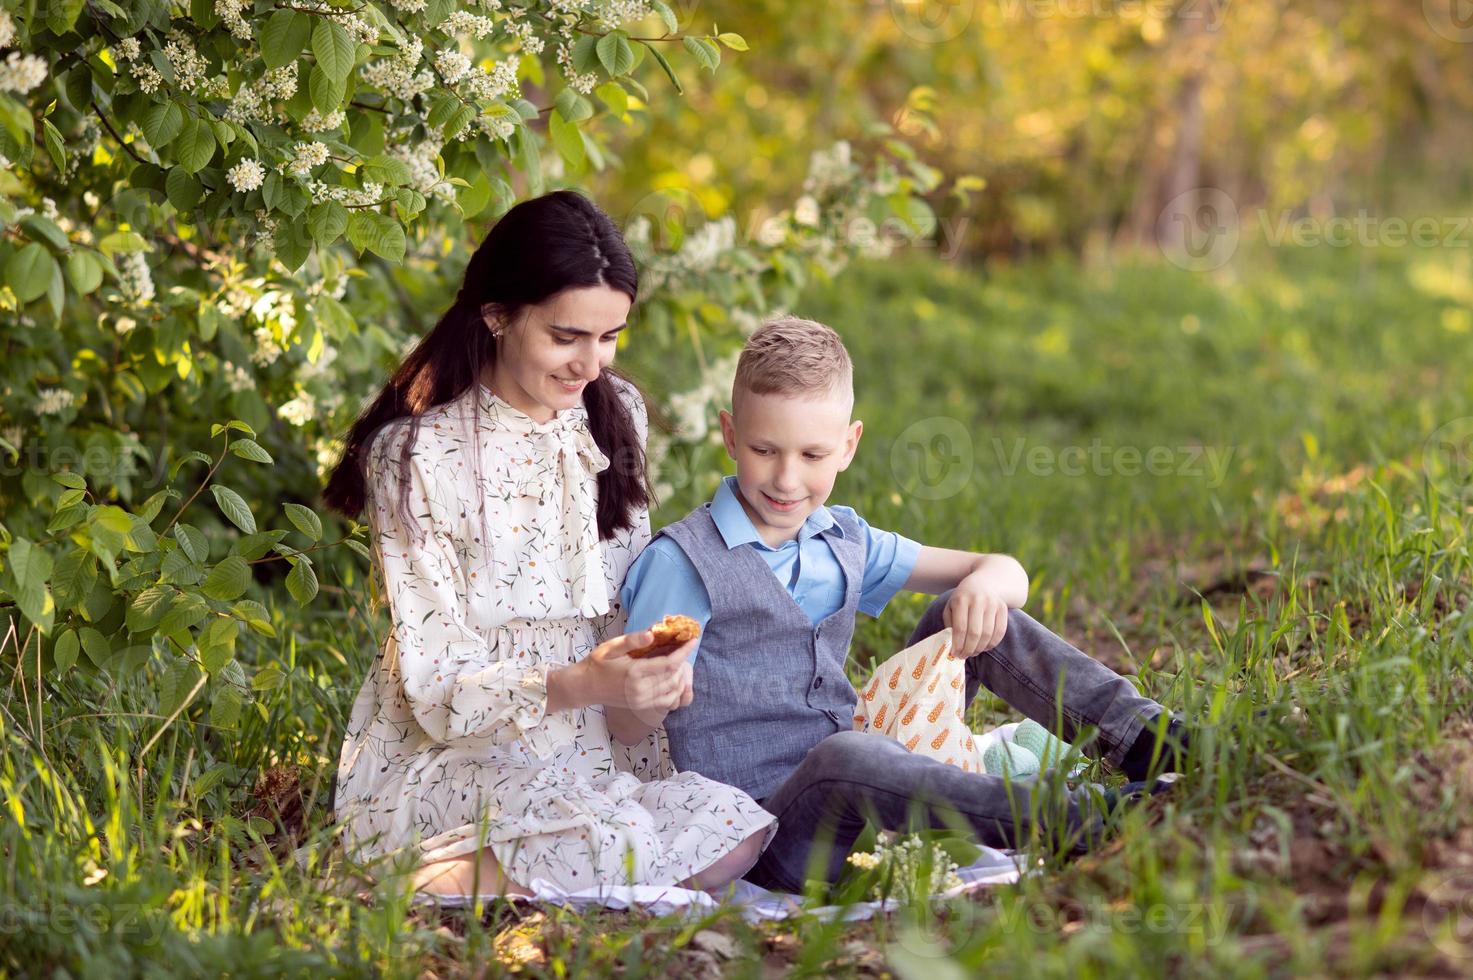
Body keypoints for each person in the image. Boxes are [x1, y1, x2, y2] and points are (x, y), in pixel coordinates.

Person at [618, 316, 1191, 893]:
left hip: (871, 782)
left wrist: (983, 590)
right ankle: (1081, 819)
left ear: (848, 446)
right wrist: (652, 696)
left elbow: (1001, 570)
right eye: (765, 450)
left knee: (964, 611)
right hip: (772, 836)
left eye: (813, 455)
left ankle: (1160, 745)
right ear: (731, 435)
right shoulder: (684, 565)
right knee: (846, 756)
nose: (787, 478)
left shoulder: (840, 538)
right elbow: (624, 720)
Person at [322, 191, 774, 899]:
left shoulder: (614, 412)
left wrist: (648, 675)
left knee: (733, 826)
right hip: (464, 748)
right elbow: (437, 685)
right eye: (566, 336)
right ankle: (393, 870)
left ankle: (549, 877)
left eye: (609, 336)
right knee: (603, 842)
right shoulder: (414, 456)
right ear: (497, 315)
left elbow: (624, 599)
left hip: (596, 745)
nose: (590, 365)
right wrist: (579, 684)